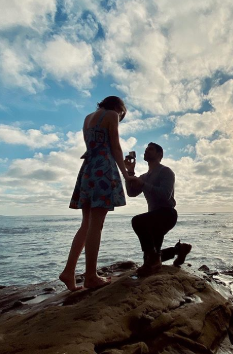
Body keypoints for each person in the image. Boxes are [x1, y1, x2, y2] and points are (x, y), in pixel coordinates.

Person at [59, 96, 132, 291]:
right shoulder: (111, 114)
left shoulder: (88, 117)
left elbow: (91, 146)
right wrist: (125, 174)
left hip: (88, 169)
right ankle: (90, 276)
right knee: (96, 225)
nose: (120, 116)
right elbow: (115, 146)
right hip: (103, 169)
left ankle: (69, 271)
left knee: (86, 224)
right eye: (122, 113)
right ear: (118, 107)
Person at [124, 142, 192, 276]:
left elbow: (165, 194)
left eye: (150, 149)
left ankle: (155, 259)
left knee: (137, 221)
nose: (146, 151)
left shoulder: (166, 171)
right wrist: (130, 171)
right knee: (149, 259)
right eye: (145, 149)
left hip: (167, 214)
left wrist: (143, 184)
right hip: (152, 218)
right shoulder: (144, 176)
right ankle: (179, 250)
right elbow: (131, 193)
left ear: (159, 155)